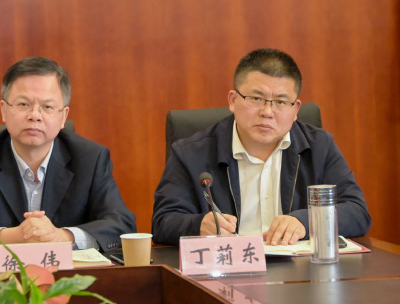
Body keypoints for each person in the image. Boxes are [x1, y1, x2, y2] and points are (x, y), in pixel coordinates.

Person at [152, 48, 371, 246]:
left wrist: (305, 221)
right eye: (256, 98)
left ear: (296, 110)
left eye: (281, 102)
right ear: (232, 100)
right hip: (227, 269)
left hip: (299, 271)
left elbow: (358, 212)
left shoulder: (319, 147)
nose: (267, 112)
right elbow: (163, 222)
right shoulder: (190, 153)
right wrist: (198, 225)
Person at [0, 56, 136, 256]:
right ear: (4, 110)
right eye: (23, 104)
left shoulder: (90, 159)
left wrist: (61, 236)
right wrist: (13, 236)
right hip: (1, 276)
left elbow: (122, 224)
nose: (34, 116)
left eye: (47, 107)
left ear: (63, 116)